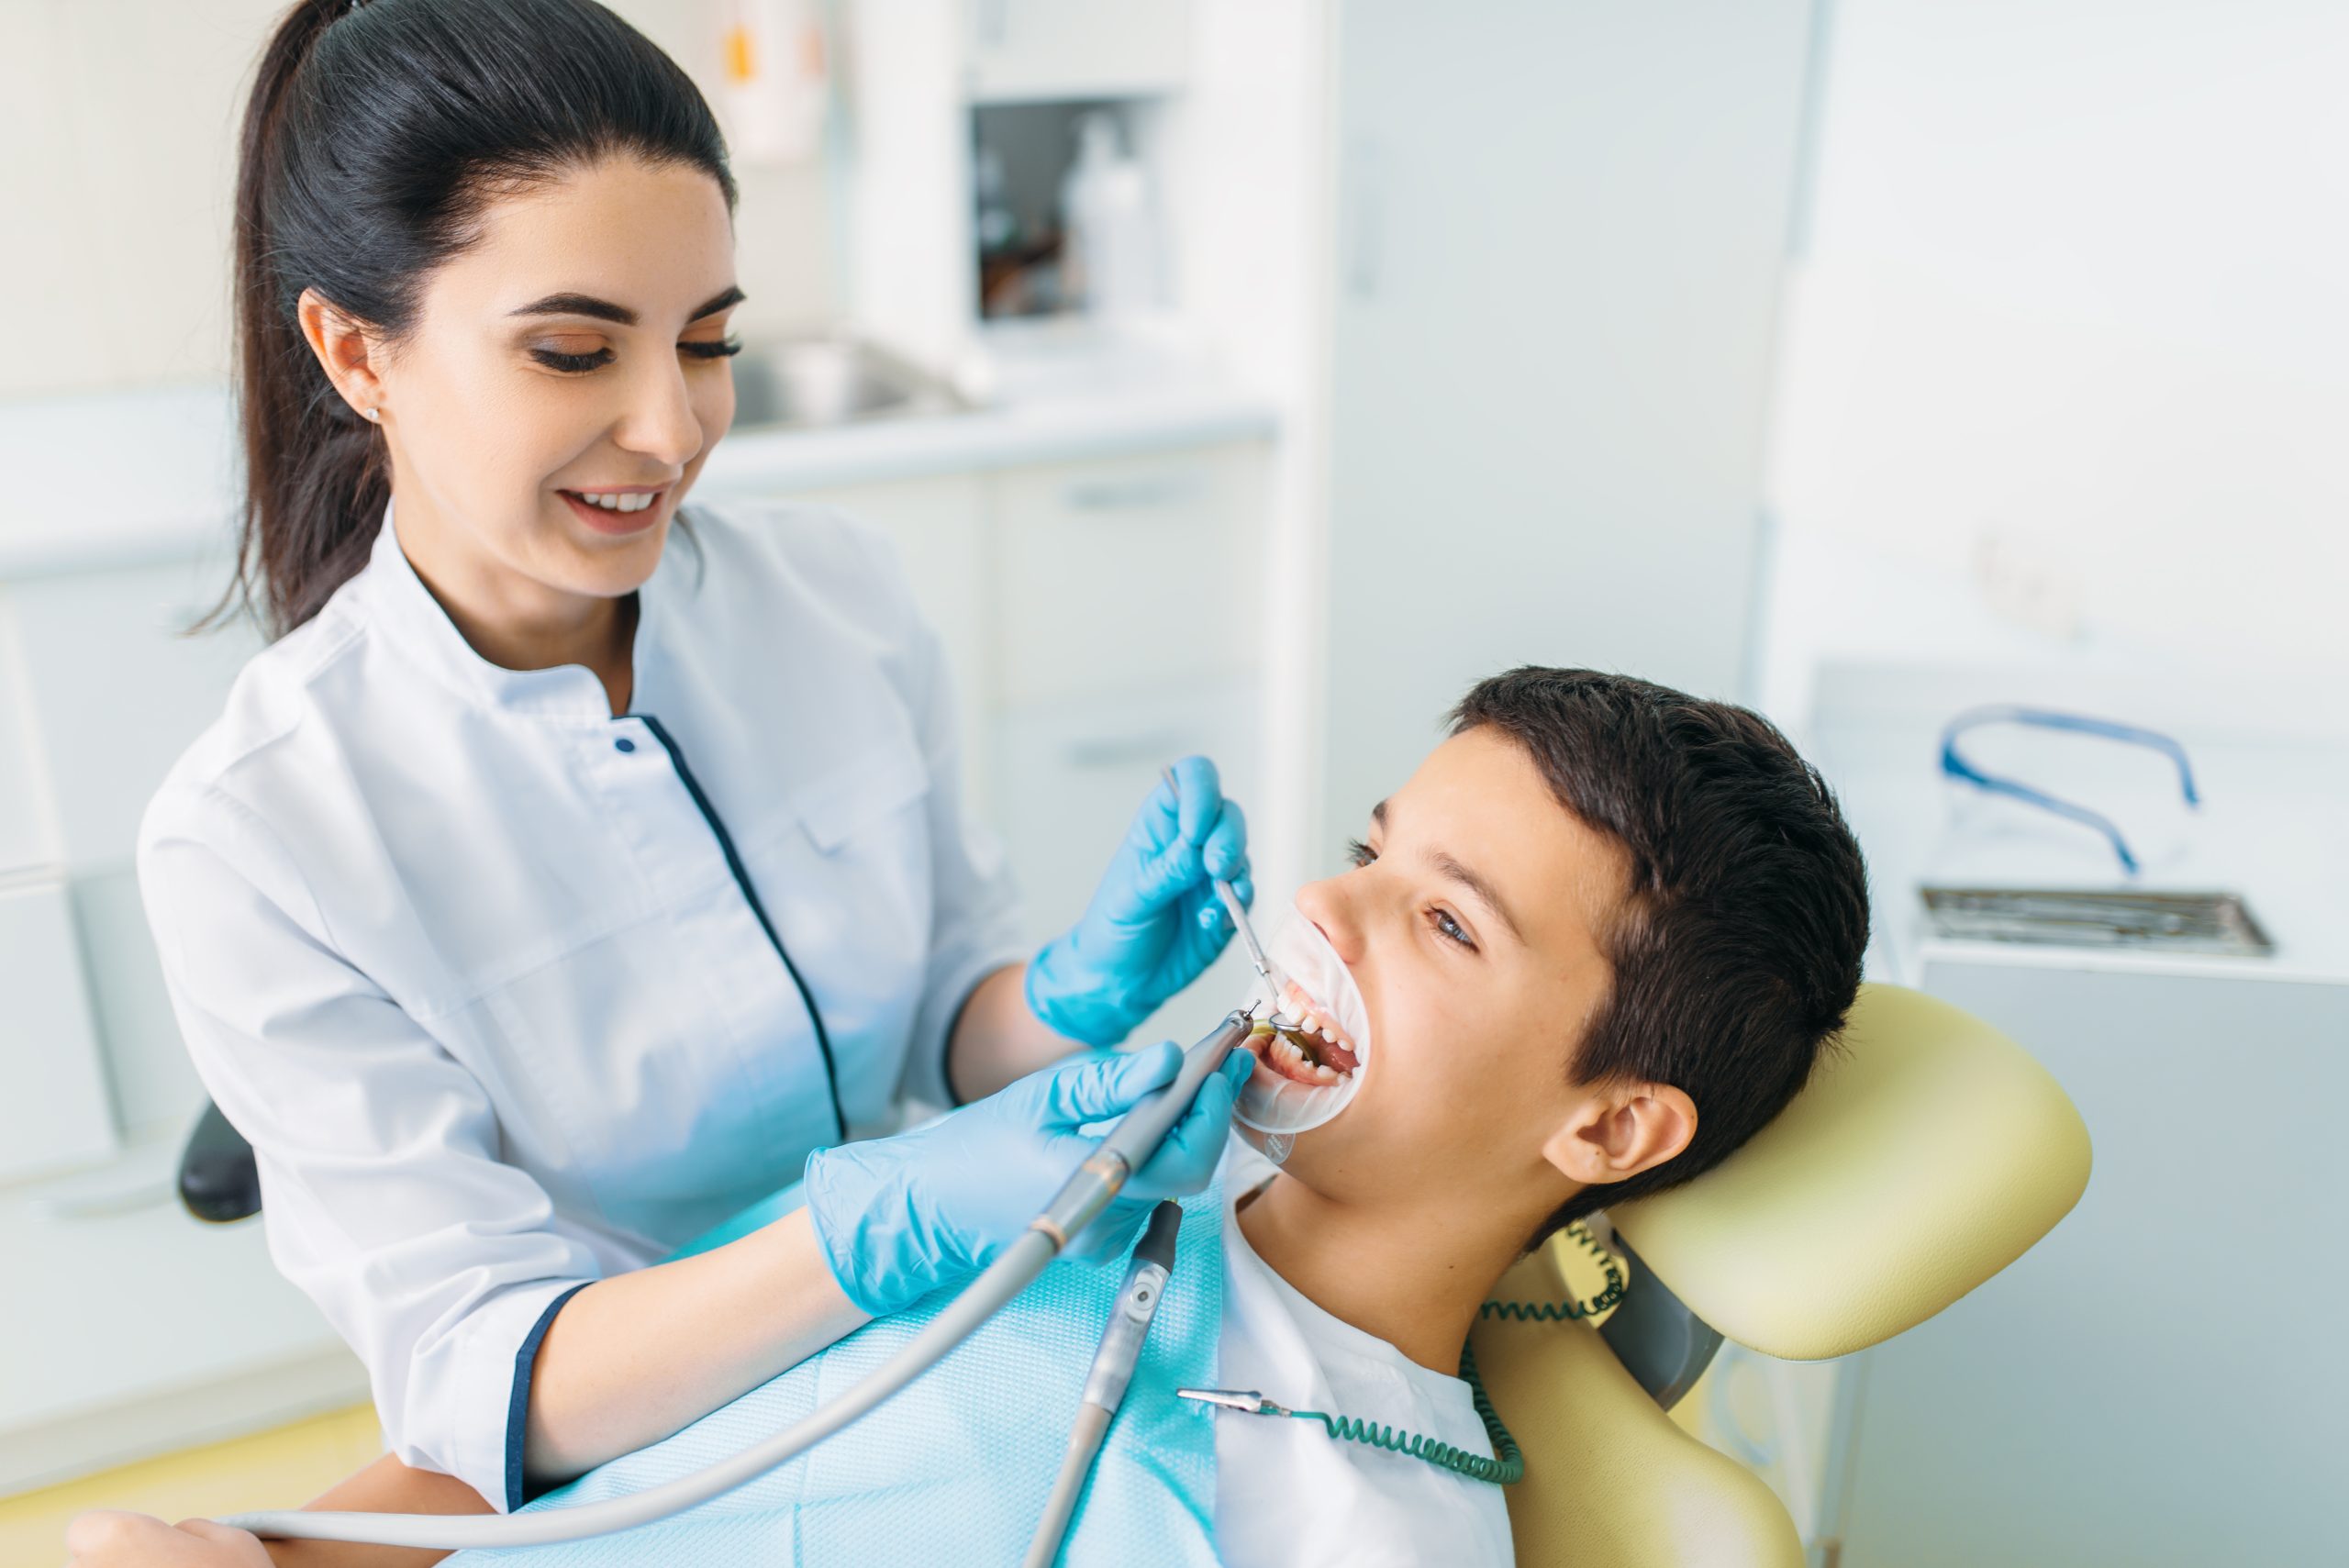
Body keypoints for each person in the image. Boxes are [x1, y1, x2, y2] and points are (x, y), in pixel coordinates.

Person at [83, 0, 1257, 1546]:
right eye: (575, 349)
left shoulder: (838, 598)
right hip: (631, 1438)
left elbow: (946, 1030)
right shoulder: (261, 835)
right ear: (356, 351)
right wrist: (863, 1238)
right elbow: (483, 1375)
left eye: (709, 340)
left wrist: (1064, 1002)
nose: (673, 426)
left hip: (951, 1335)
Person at [70, 667, 1870, 1567]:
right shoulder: (1012, 1199)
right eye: (1371, 852)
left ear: (1611, 1134)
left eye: (1444, 923)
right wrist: (277, 1551)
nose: (1323, 914)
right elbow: (549, 1461)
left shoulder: (1354, 1521)